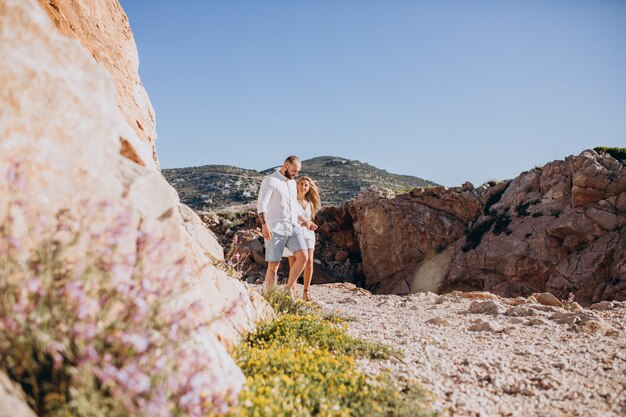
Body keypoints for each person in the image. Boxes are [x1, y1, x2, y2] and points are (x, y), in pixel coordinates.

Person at [256, 155, 317, 297]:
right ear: (285, 165)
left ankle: (287, 289)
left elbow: (294, 208)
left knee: (303, 257)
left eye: (298, 172)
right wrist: (264, 226)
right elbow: (262, 204)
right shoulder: (270, 180)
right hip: (275, 227)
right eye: (294, 171)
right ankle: (269, 297)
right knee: (274, 266)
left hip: (292, 226)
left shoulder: (291, 183)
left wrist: (306, 221)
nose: (296, 174)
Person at [285, 176, 321, 301]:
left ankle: (306, 291)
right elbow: (290, 219)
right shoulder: (292, 200)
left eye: (306, 185)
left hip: (308, 234)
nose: (303, 187)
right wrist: (303, 223)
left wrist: (311, 224)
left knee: (309, 261)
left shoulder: (310, 204)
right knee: (294, 263)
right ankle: (293, 289)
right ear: (297, 185)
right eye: (301, 184)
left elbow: (309, 219)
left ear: (309, 188)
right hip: (294, 233)